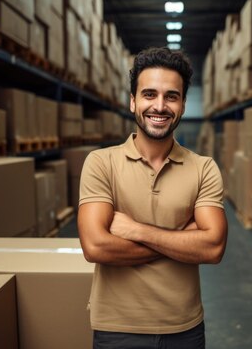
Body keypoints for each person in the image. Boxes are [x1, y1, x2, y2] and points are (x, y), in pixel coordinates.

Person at [77, 46, 228, 349]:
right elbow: (95, 246)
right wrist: (181, 241)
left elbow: (212, 248)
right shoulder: (101, 163)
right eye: (149, 94)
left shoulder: (204, 168)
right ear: (133, 101)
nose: (160, 106)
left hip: (184, 328)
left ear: (183, 104)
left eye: (171, 96)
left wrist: (137, 231)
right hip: (116, 328)